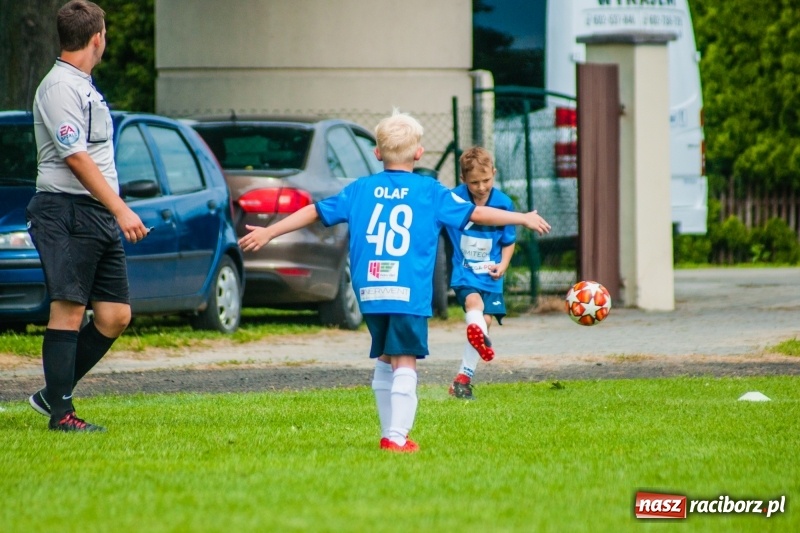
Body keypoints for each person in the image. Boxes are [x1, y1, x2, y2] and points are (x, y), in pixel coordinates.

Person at [239, 109, 551, 453]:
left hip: (370, 291)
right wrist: (521, 217)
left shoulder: (360, 188)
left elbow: (314, 210)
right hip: (407, 290)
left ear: (377, 153)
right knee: (405, 361)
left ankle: (390, 433)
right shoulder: (429, 191)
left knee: (386, 357)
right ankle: (396, 438)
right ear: (419, 153)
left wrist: (269, 232)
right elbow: (476, 213)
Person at [26, 0, 149, 432]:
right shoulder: (60, 87)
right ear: (97, 37)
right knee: (69, 310)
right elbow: (75, 157)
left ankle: (51, 393)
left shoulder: (84, 86)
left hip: (96, 214)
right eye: (106, 35)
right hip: (67, 211)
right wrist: (121, 208)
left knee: (115, 316)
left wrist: (110, 210)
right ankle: (62, 414)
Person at [444, 147, 515, 400]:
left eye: (486, 180)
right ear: (463, 179)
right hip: (465, 272)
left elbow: (508, 241)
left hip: (492, 275)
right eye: (474, 182)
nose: (481, 187)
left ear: (494, 173)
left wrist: (504, 264)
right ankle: (476, 334)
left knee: (485, 322)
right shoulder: (453, 200)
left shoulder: (504, 204)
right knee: (473, 303)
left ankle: (463, 379)